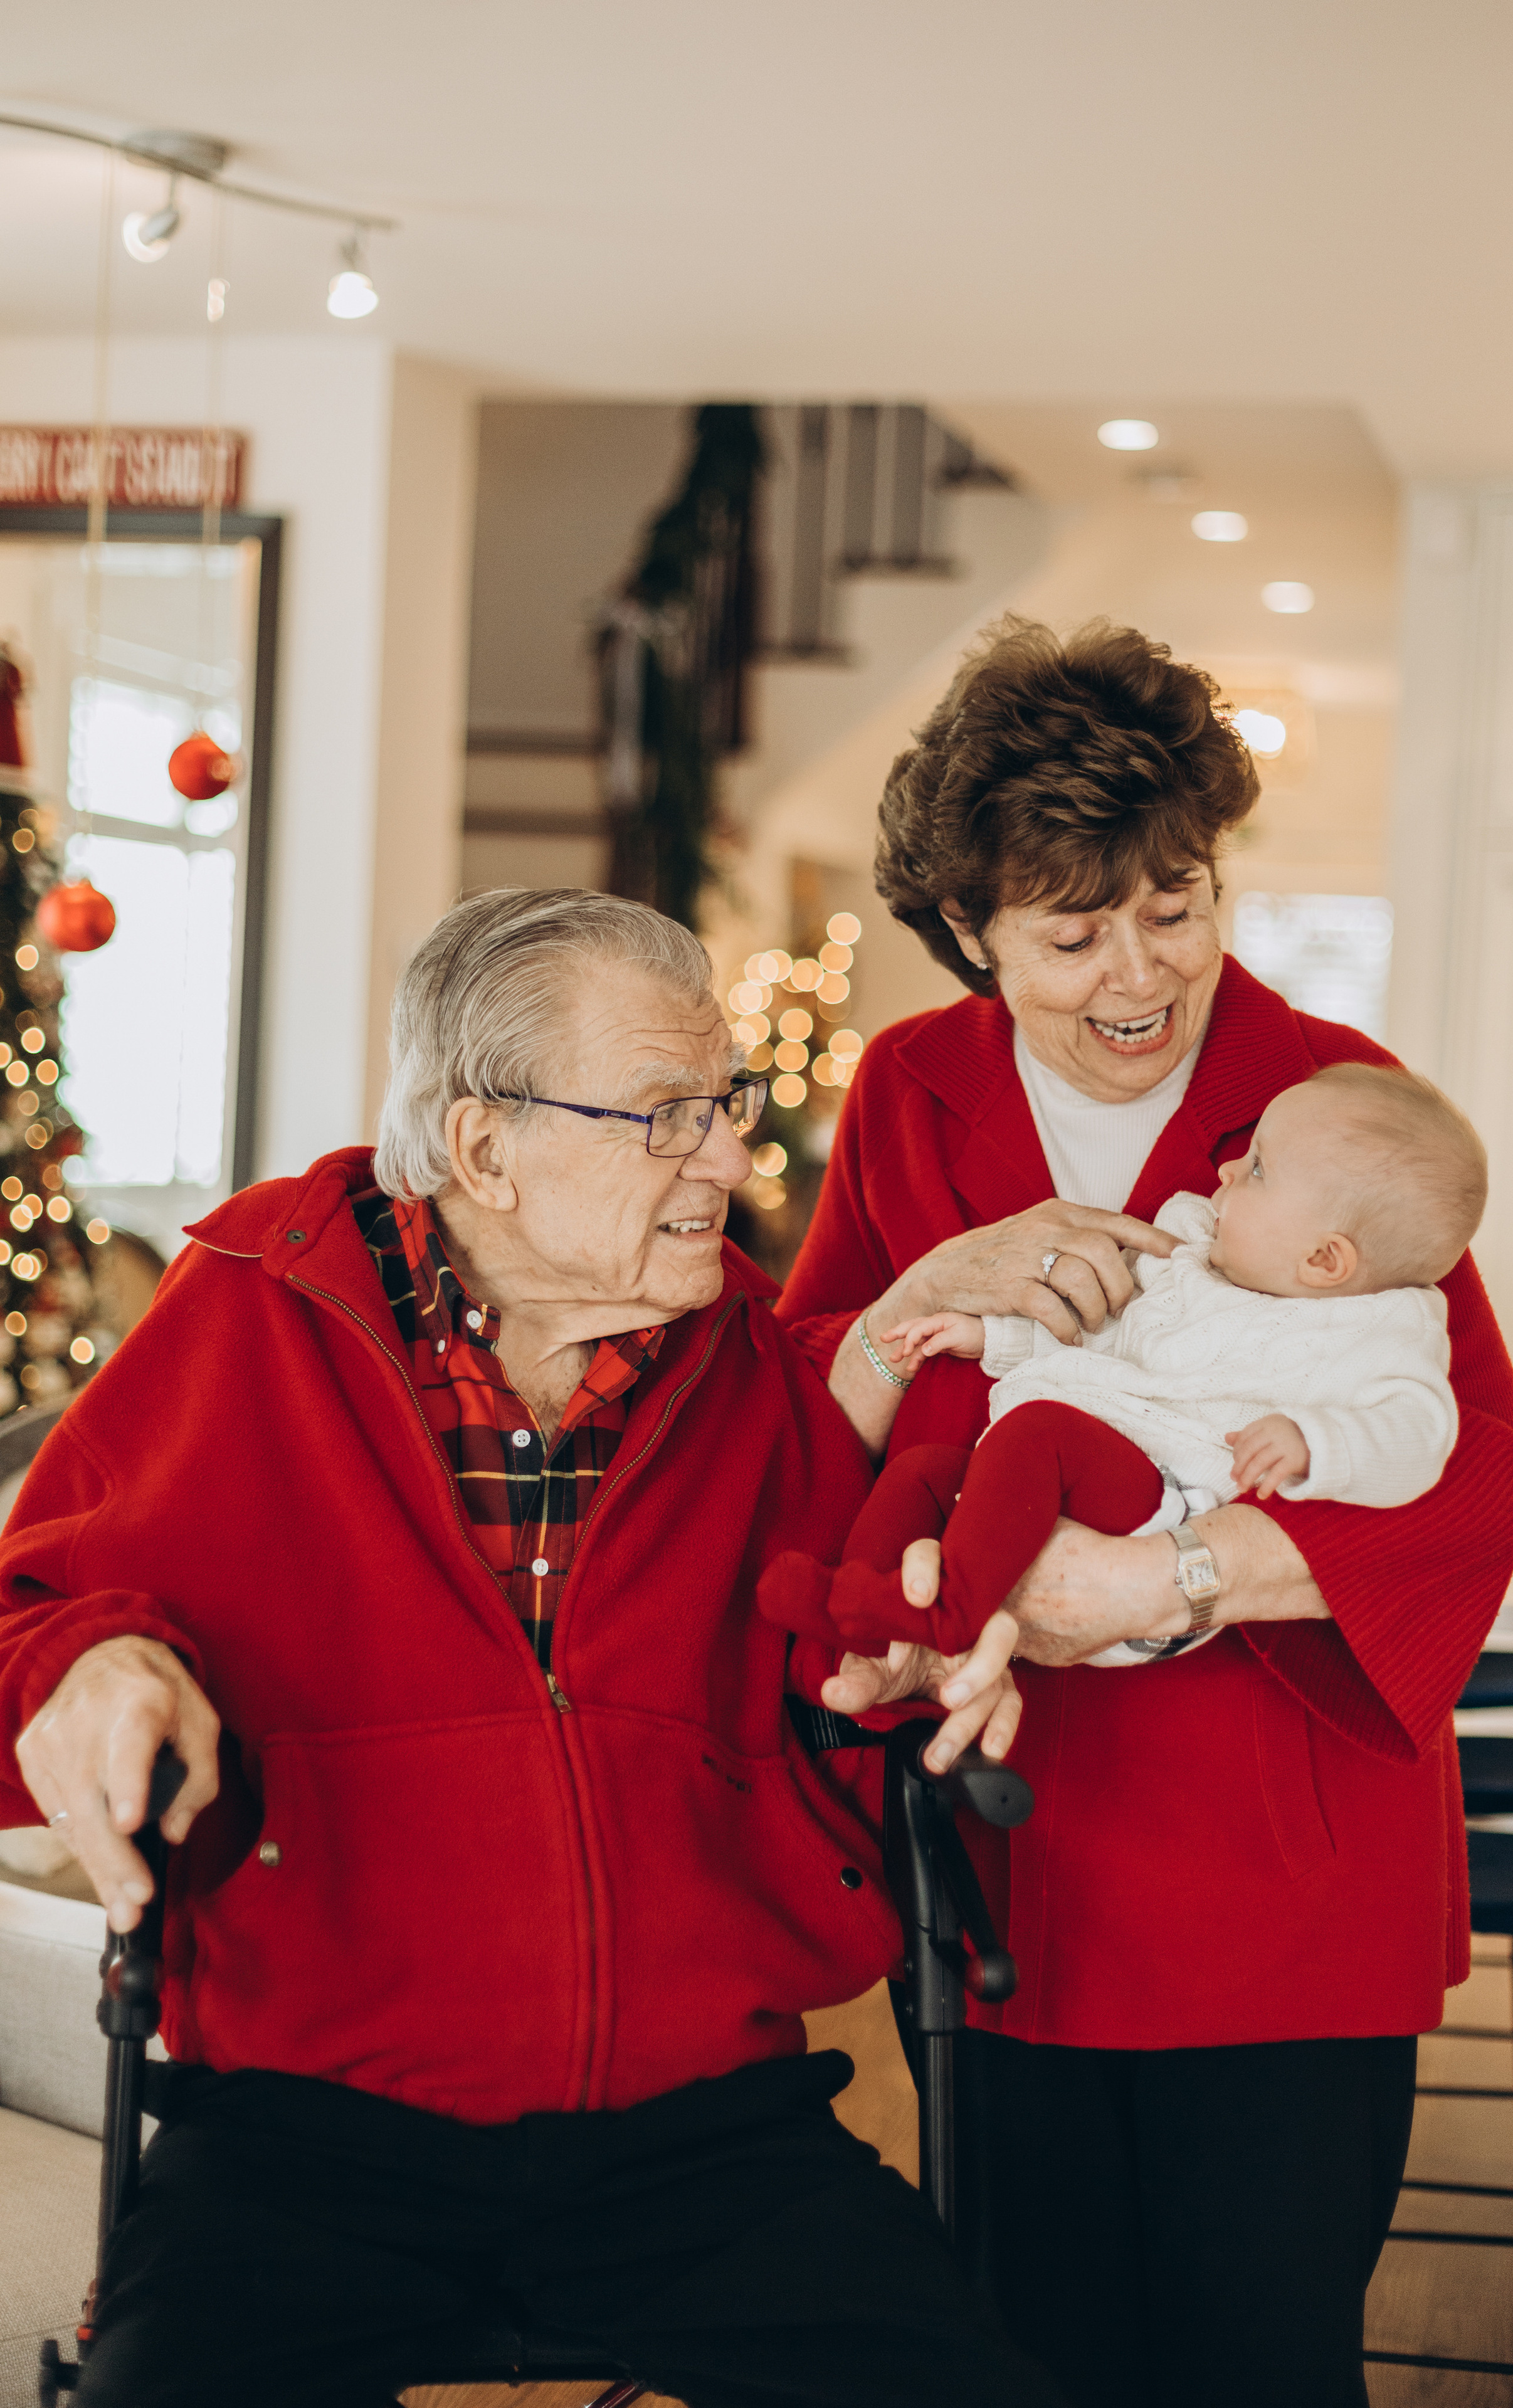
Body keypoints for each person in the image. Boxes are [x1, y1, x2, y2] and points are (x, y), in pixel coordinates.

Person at [0, 889, 1056, 2408]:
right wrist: (97, 1663)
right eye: (667, 1114)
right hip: (308, 2132)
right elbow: (30, 1621)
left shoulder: (754, 1366)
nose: (727, 1157)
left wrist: (913, 1668)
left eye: (723, 1103)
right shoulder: (247, 1319)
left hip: (702, 2133)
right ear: (484, 1146)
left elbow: (852, 1650)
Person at [777, 617, 1513, 2408]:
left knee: (1256, 2355)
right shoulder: (909, 1092)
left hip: (1279, 1860)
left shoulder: (1333, 1102)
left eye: (1174, 905)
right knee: (1029, 2348)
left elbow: (1474, 1471)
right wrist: (926, 1292)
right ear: (969, 928)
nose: (1140, 973)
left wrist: (1157, 1578)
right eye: (1071, 931)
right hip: (1003, 1855)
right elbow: (807, 1403)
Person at [761, 1060, 1477, 1662]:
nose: (1229, 1167)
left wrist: (1315, 1442)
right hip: (1076, 1470)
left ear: (1324, 1259)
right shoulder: (1196, 1260)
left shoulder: (1377, 1329)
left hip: (1167, 1504)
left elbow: (1420, 1432)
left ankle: (952, 1616)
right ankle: (860, 1605)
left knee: (1038, 1433)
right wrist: (990, 1338)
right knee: (927, 1474)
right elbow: (1102, 1341)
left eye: (1257, 1168)